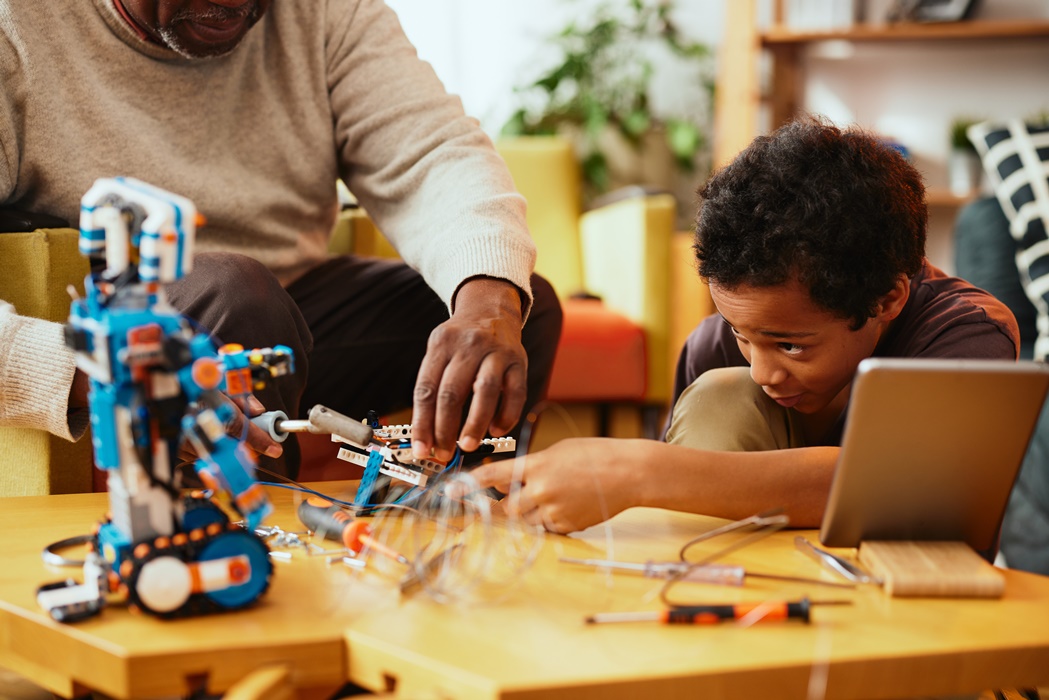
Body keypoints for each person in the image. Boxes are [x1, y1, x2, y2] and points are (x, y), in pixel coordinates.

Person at [0, 0, 562, 479]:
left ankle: (454, 529)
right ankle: (248, 558)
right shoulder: (17, 24)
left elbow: (431, 153)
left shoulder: (322, 12)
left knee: (513, 303)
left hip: (287, 316)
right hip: (119, 335)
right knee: (239, 296)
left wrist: (489, 298)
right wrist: (83, 369)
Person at [470, 116, 1020, 534]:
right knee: (722, 396)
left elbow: (915, 488)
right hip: (747, 588)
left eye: (791, 346)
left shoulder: (964, 333)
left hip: (901, 598)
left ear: (888, 300)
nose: (763, 371)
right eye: (743, 335)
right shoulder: (715, 348)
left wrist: (639, 470)